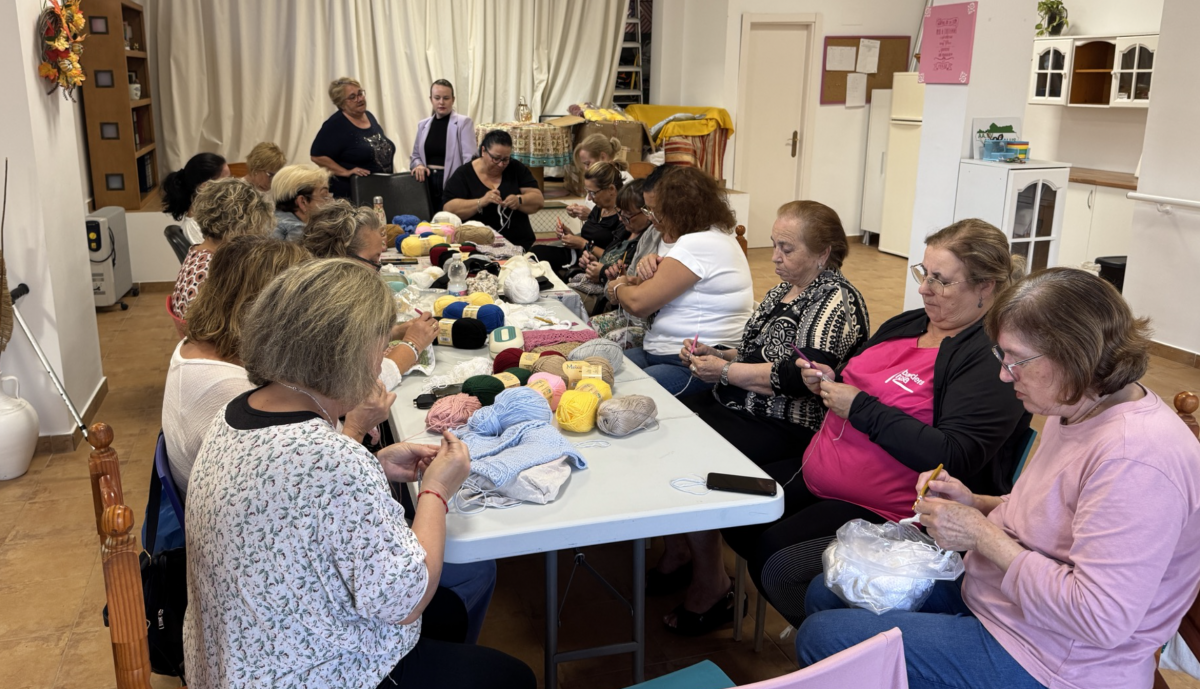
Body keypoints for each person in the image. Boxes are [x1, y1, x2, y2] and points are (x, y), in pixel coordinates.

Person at [798, 267, 1200, 689]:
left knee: (825, 638)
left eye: (1016, 359)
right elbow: (1053, 518)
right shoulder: (1077, 405)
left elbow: (1100, 619)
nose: (1005, 374)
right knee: (828, 590)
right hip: (1006, 603)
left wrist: (981, 536)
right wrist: (976, 503)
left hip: (1055, 660)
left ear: (1073, 356)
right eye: (1001, 356)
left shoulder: (1136, 460)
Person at [183, 259, 535, 688]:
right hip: (308, 674)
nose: (381, 361)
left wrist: (372, 462)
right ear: (344, 355)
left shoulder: (237, 411)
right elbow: (406, 600)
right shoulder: (329, 460)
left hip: (241, 658)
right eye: (380, 347)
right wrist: (436, 490)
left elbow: (294, 497)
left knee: (449, 614)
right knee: (512, 677)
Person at [723, 218, 1032, 628]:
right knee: (734, 513)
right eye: (924, 273)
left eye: (941, 281)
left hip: (891, 509)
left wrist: (861, 408)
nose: (924, 288)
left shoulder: (989, 359)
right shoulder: (909, 324)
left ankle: (845, 644)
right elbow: (862, 378)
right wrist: (830, 382)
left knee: (777, 562)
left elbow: (954, 455)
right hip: (824, 472)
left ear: (986, 287)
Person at [650, 201, 870, 637]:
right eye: (774, 245)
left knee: (691, 459)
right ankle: (683, 551)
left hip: (789, 423)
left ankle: (712, 583)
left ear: (823, 253)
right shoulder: (781, 290)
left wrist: (728, 372)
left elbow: (803, 377)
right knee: (667, 431)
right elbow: (758, 354)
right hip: (744, 405)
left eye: (787, 248)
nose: (774, 257)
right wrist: (718, 355)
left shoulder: (835, 299)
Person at [163, 236, 312, 494]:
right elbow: (302, 490)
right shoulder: (234, 392)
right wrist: (355, 428)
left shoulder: (195, 346)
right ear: (264, 306)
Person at [604, 166, 753, 395]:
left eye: (655, 211)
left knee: (618, 391)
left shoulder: (699, 244)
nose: (652, 218)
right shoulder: (711, 237)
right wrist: (634, 283)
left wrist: (618, 287)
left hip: (692, 364)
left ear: (678, 211)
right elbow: (657, 289)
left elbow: (638, 304)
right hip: (666, 355)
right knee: (598, 368)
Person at [302, 200, 440, 374]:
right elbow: (358, 386)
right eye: (374, 261)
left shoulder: (319, 288)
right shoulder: (322, 307)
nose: (377, 272)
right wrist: (413, 344)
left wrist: (394, 333)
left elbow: (354, 340)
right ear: (342, 258)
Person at [170, 178, 272, 321]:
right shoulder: (218, 269)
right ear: (239, 228)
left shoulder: (198, 252)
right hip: (210, 341)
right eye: (255, 229)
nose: (257, 236)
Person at [441, 129, 544, 250]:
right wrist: (481, 202)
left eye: (506, 159)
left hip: (518, 244)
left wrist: (519, 200)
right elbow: (448, 210)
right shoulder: (464, 174)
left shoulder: (515, 168)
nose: (501, 164)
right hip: (477, 246)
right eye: (496, 158)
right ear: (483, 151)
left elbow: (538, 200)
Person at [532, 161, 625, 277]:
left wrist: (582, 244)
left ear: (611, 189)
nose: (590, 198)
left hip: (592, 263)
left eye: (593, 193)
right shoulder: (600, 208)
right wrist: (570, 236)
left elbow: (616, 256)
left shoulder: (624, 218)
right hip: (578, 255)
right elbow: (590, 238)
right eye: (588, 192)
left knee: (541, 266)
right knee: (534, 254)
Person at [311, 77, 396, 199]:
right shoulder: (335, 125)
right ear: (341, 103)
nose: (360, 99)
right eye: (352, 97)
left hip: (380, 190)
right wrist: (345, 172)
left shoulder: (368, 116)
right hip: (354, 195)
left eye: (360, 93)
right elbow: (317, 156)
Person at [410, 79, 476, 212]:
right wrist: (418, 165)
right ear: (431, 99)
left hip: (453, 181)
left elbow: (470, 160)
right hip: (425, 182)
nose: (441, 102)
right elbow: (415, 155)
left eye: (446, 98)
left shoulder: (464, 123)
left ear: (453, 99)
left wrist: (461, 183)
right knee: (427, 223)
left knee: (449, 223)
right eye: (437, 98)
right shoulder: (423, 124)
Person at [161, 152, 230, 244]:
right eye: (227, 181)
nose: (232, 185)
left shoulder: (216, 214)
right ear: (205, 187)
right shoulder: (193, 228)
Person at [565, 134, 633, 220]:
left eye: (587, 163)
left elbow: (622, 222)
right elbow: (592, 205)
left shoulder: (625, 182)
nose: (586, 169)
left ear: (603, 157)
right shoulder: (595, 180)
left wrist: (591, 215)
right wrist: (578, 209)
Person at [271, 164, 333, 242]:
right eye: (324, 196)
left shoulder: (267, 222)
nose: (331, 201)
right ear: (302, 202)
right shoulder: (299, 234)